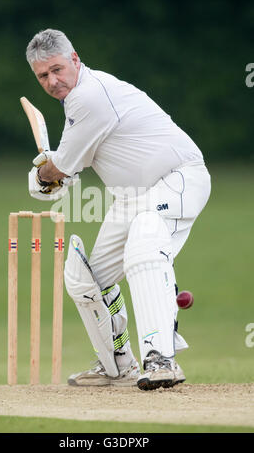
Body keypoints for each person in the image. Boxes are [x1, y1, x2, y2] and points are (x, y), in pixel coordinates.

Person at [25, 29, 211, 390]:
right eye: (43, 76)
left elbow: (59, 172)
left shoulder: (90, 97)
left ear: (75, 59)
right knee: (87, 278)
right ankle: (116, 365)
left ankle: (161, 359)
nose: (52, 81)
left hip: (178, 179)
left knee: (145, 237)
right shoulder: (78, 106)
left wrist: (45, 171)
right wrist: (50, 173)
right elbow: (66, 174)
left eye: (57, 69)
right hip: (132, 196)